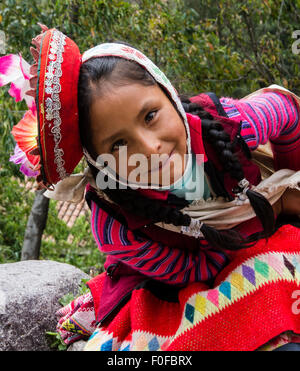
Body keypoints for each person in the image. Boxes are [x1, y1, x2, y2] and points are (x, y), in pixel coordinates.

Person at [1, 25, 300, 351]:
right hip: (184, 274)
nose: (149, 147)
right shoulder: (114, 224)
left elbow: (289, 112)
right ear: (99, 160)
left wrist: (292, 176)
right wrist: (236, 241)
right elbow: (188, 270)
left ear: (169, 95)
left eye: (151, 115)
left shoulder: (229, 123)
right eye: (118, 144)